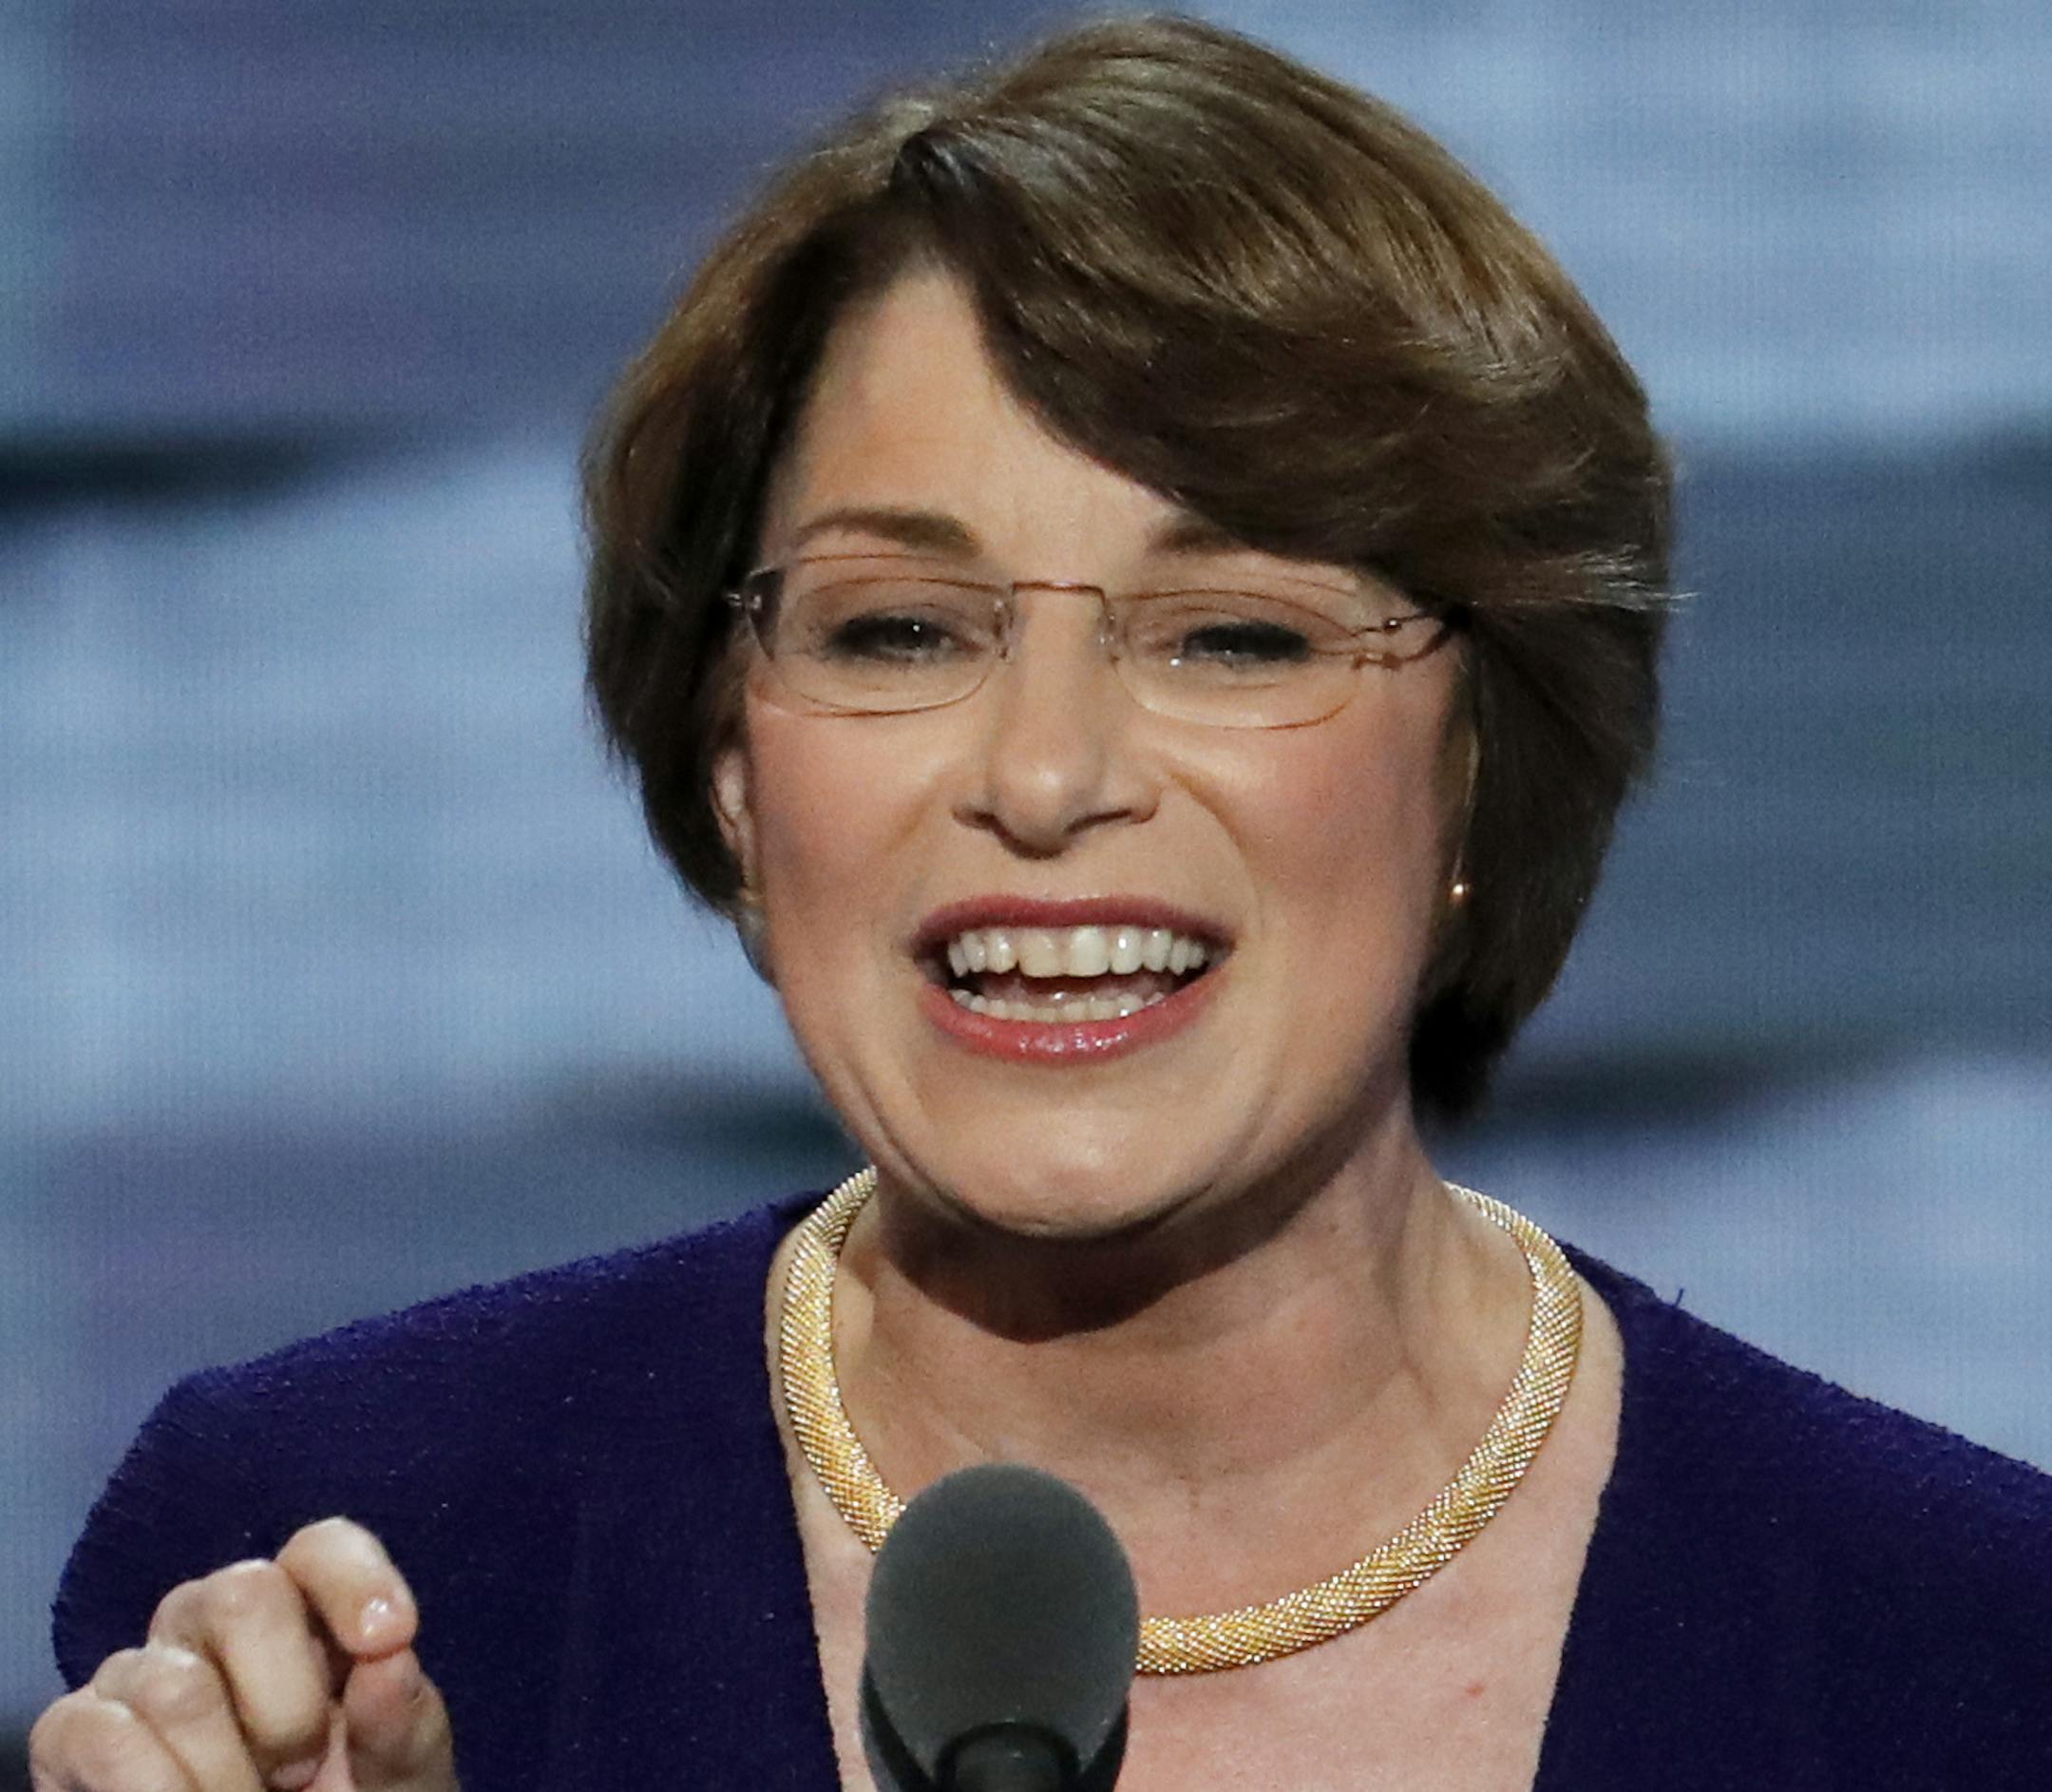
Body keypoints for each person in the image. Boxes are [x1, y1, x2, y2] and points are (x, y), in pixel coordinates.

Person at [34, 15, 2052, 1790]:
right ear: (738, 770)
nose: (1048, 774)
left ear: (1481, 763)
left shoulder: (1969, 1663)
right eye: (903, 626)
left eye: (1236, 635)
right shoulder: (347, 1579)